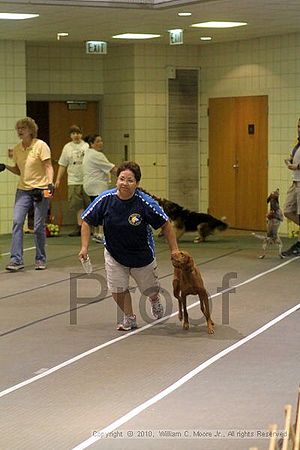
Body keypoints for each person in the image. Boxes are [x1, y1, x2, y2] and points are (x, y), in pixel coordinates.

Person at [79, 161, 179, 331]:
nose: (124, 183)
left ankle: (154, 299)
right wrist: (84, 247)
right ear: (116, 180)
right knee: (117, 289)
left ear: (137, 184)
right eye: (121, 179)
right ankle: (129, 317)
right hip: (114, 253)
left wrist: (174, 250)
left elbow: (166, 225)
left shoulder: (145, 203)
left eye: (130, 180)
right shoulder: (105, 199)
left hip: (142, 256)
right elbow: (87, 221)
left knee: (149, 290)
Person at [0, 117, 54, 271]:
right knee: (17, 222)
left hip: (41, 188)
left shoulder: (41, 146)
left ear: (31, 130)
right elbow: (19, 170)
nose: (20, 131)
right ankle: (16, 260)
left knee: (38, 226)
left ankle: (40, 258)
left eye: (23, 128)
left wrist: (50, 184)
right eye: (18, 128)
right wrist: (5, 167)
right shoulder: (17, 149)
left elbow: (48, 166)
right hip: (23, 190)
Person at [55, 125, 90, 236]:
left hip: (86, 180)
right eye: (73, 133)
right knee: (77, 205)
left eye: (78, 133)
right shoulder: (67, 147)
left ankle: (89, 226)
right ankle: (80, 226)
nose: (76, 136)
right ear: (70, 135)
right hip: (73, 180)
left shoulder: (87, 146)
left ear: (81, 134)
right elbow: (62, 164)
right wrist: (58, 179)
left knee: (88, 204)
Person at [82, 134, 117, 243]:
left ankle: (97, 232)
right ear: (91, 144)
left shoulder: (88, 153)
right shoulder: (97, 155)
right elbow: (111, 168)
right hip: (97, 186)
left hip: (90, 186)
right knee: (103, 210)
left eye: (101, 141)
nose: (100, 143)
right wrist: (126, 175)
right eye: (97, 141)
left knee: (96, 208)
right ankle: (101, 233)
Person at [281, 119, 300, 257]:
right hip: (295, 182)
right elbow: (292, 158)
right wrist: (289, 161)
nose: (299, 128)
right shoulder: (297, 144)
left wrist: (297, 167)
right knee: (287, 211)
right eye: (298, 126)